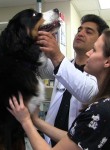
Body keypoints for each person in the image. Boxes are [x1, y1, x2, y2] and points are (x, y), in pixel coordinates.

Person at [8, 28, 110, 149]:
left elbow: (87, 91)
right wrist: (36, 121)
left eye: (94, 49)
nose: (89, 53)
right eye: (79, 30)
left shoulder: (101, 110)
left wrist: (26, 121)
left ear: (107, 61)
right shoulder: (102, 106)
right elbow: (76, 137)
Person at [37, 14, 109, 146]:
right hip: (49, 142)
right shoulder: (66, 64)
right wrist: (43, 47)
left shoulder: (99, 76)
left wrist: (56, 55)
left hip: (74, 145)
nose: (81, 33)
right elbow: (42, 70)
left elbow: (88, 93)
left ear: (100, 41)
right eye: (79, 30)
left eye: (88, 31)